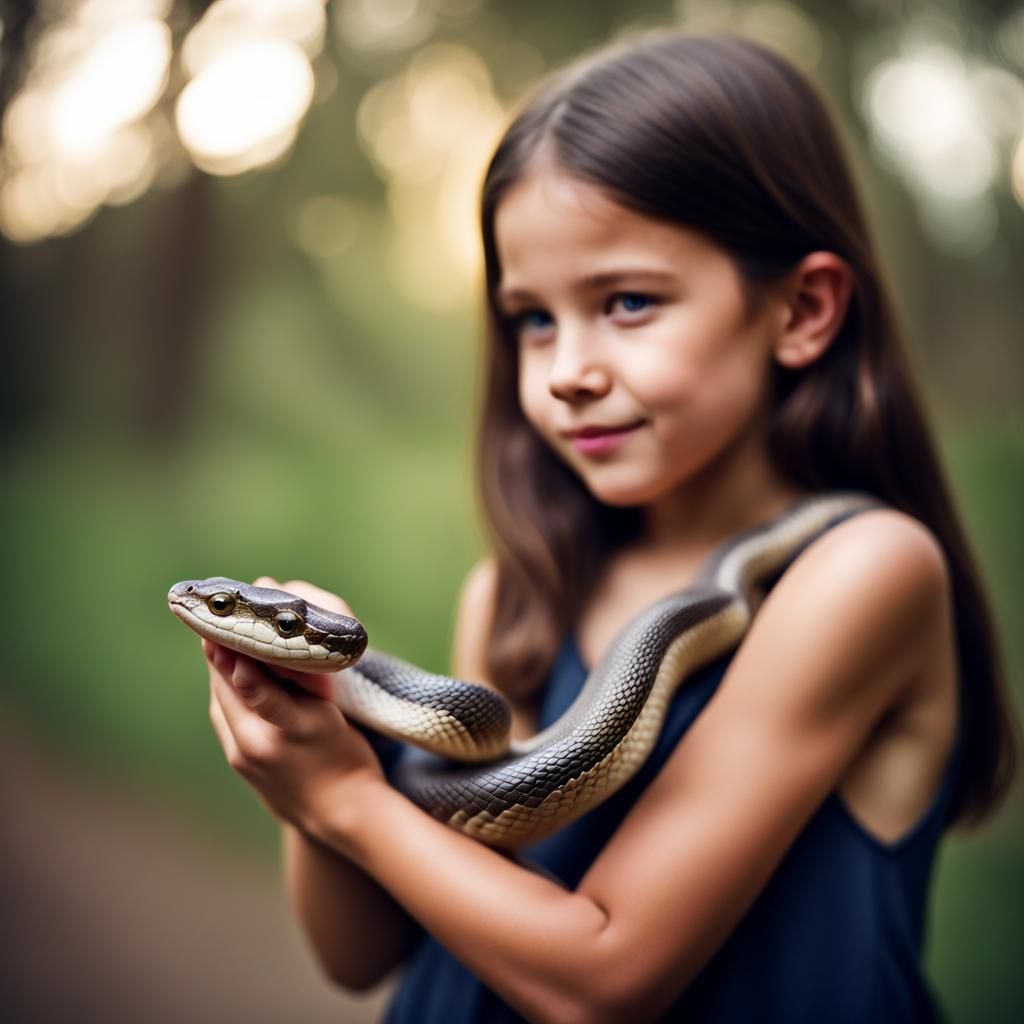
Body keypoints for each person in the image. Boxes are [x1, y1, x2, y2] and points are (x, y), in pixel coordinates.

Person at [201, 31, 1017, 1023]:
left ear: (803, 309)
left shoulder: (859, 572)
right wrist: (307, 758)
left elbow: (602, 978)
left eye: (627, 302)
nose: (563, 371)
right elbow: (363, 949)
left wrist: (343, 797)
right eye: (531, 319)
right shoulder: (516, 590)